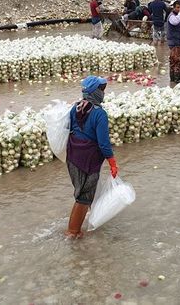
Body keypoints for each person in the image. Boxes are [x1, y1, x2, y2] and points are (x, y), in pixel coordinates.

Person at [65, 76, 119, 239]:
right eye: (101, 90)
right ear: (94, 92)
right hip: (88, 160)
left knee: (82, 192)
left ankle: (88, 217)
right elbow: (103, 143)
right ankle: (73, 233)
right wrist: (112, 163)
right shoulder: (99, 114)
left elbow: (69, 128)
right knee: (83, 197)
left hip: (73, 156)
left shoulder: (75, 108)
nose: (103, 93)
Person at [167, 1, 180, 83]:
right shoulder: (172, 16)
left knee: (173, 61)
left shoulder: (176, 16)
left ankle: (172, 80)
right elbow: (175, 22)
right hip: (175, 42)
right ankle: (177, 80)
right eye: (177, 7)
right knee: (178, 61)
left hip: (176, 41)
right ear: (174, 7)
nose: (179, 9)